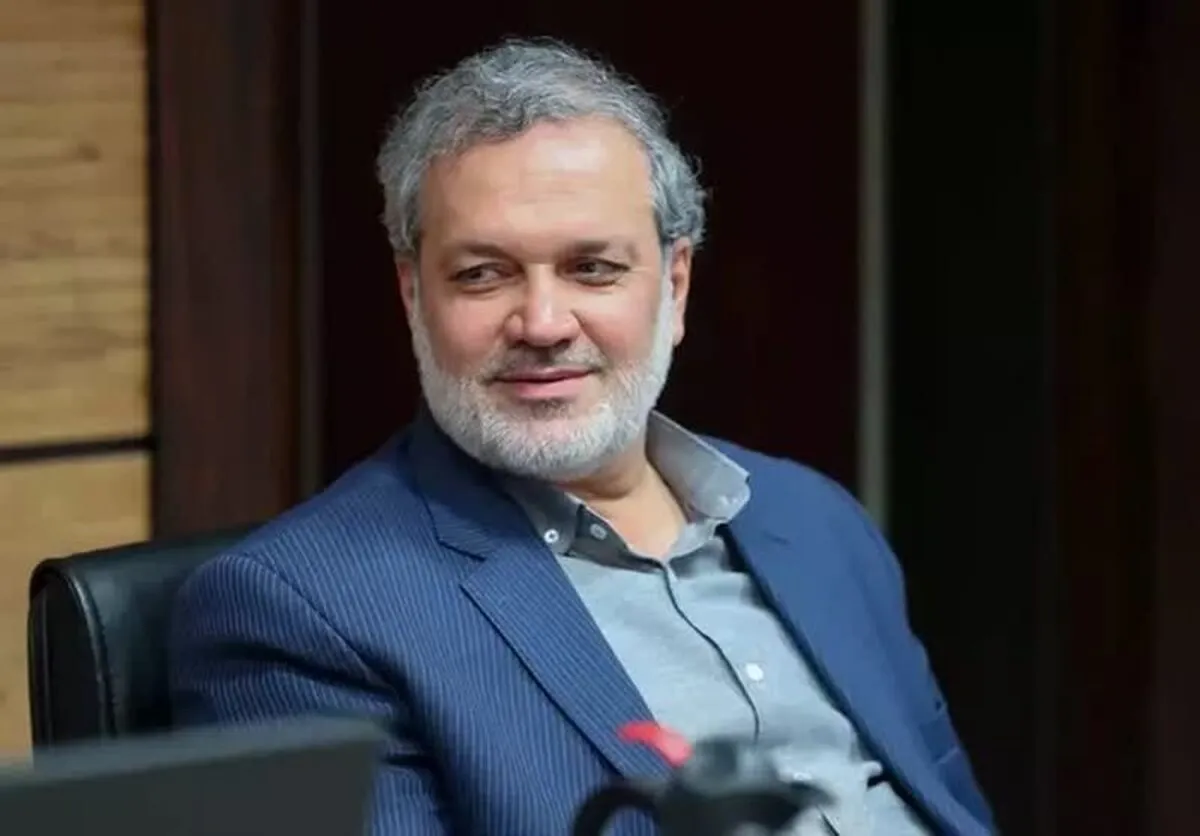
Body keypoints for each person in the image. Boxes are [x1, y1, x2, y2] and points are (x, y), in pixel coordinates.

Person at [168, 38, 994, 836]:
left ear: (675, 286)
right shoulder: (303, 611)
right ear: (413, 295)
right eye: (482, 274)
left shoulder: (816, 521)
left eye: (592, 268)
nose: (543, 323)